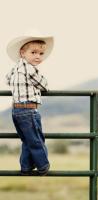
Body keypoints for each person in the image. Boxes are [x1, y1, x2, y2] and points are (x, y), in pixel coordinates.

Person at [5, 30, 54, 176]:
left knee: (27, 140)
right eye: (33, 52)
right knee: (36, 139)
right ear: (22, 53)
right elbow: (44, 84)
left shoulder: (15, 68)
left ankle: (26, 167)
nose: (38, 57)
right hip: (28, 109)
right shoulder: (29, 68)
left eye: (40, 54)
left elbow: (7, 80)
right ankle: (43, 165)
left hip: (16, 110)